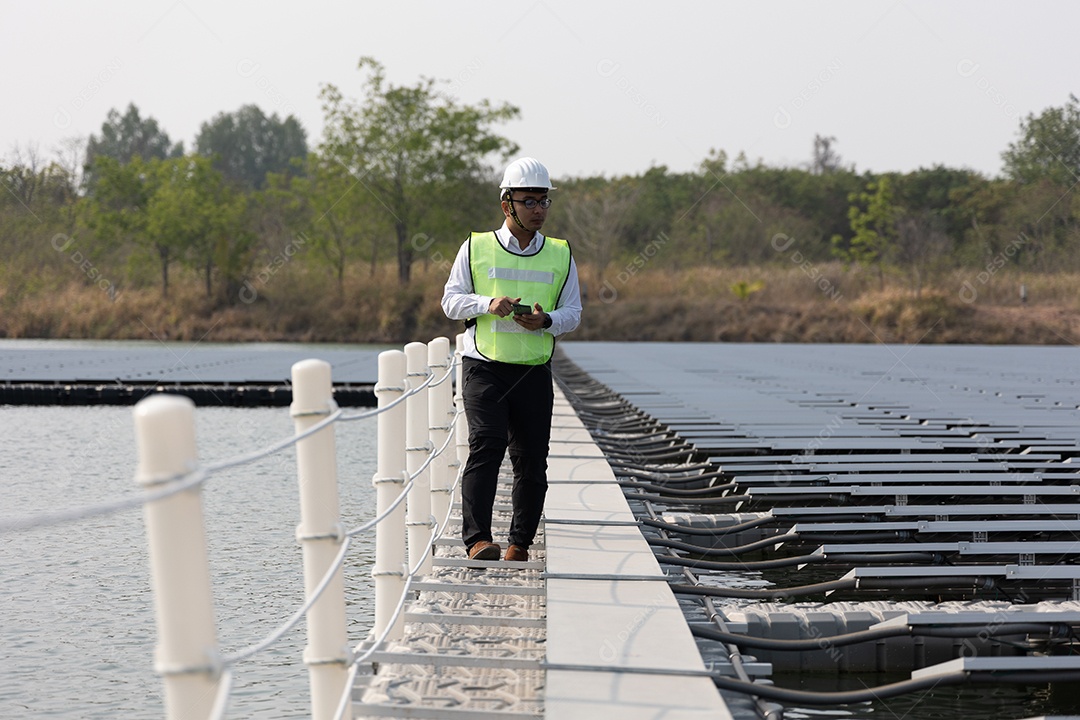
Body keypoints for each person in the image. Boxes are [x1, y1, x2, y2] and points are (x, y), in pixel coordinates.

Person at [441, 157, 582, 562]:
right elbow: (450, 301)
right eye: (530, 201)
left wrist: (546, 320)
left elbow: (573, 312)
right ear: (507, 205)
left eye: (544, 201)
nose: (539, 209)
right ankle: (478, 541)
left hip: (533, 369)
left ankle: (519, 543)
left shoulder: (561, 253)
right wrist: (488, 303)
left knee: (531, 459)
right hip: (484, 364)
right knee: (486, 444)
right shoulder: (475, 247)